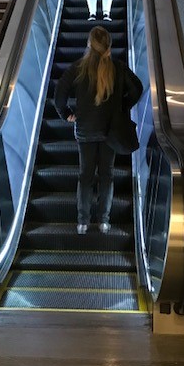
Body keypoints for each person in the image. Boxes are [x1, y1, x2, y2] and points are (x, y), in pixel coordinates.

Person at [54, 26, 143, 235]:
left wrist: (66, 113)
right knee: (107, 175)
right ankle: (104, 221)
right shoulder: (118, 68)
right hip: (109, 131)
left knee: (85, 175)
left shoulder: (77, 68)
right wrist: (123, 106)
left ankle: (82, 222)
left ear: (88, 44)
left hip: (85, 130)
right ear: (108, 46)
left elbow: (59, 95)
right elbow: (137, 88)